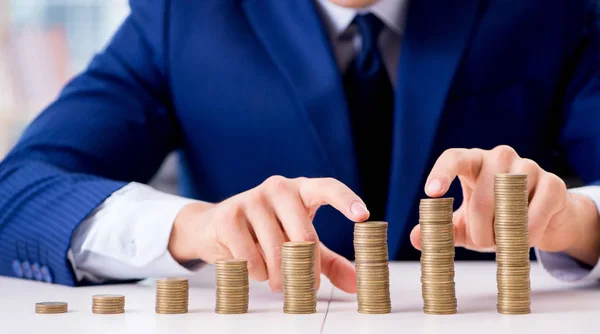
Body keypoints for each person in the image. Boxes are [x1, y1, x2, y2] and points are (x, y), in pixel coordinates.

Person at [0, 0, 599, 293]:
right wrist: (195, 226)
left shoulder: (551, 10)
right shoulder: (181, 15)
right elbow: (20, 194)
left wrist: (578, 221)